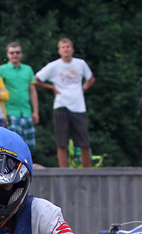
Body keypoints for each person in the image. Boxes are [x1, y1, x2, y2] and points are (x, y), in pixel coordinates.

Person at [36, 38, 95, 168]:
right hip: (61, 104)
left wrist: (83, 89)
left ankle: (87, 172)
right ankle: (64, 171)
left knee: (84, 142)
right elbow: (36, 79)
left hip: (78, 106)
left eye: (68, 47)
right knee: (62, 142)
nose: (66, 49)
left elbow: (90, 78)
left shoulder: (80, 63)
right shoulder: (54, 66)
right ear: (59, 51)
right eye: (63, 47)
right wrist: (52, 87)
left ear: (72, 49)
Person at [0, 41, 38, 149]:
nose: (15, 55)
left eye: (17, 52)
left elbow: (32, 91)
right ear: (7, 54)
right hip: (10, 111)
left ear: (21, 54)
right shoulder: (2, 70)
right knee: (13, 144)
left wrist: (35, 111)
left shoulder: (27, 69)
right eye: (12, 52)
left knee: (29, 145)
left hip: (26, 111)